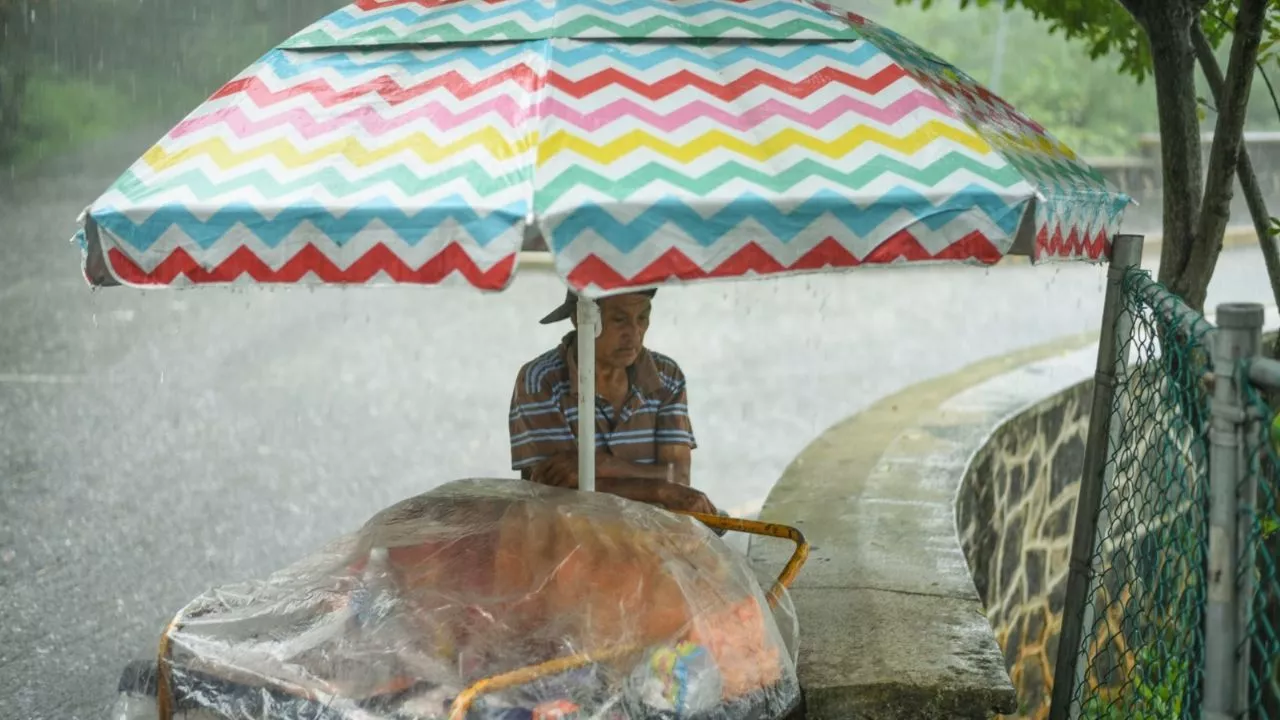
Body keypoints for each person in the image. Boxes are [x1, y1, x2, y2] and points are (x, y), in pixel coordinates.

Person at [508, 289, 718, 515]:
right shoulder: (540, 380)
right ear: (581, 319)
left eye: (642, 318)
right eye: (619, 319)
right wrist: (660, 490)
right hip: (572, 539)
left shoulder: (667, 376)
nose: (634, 333)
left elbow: (679, 476)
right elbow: (557, 491)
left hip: (652, 540)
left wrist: (601, 466)